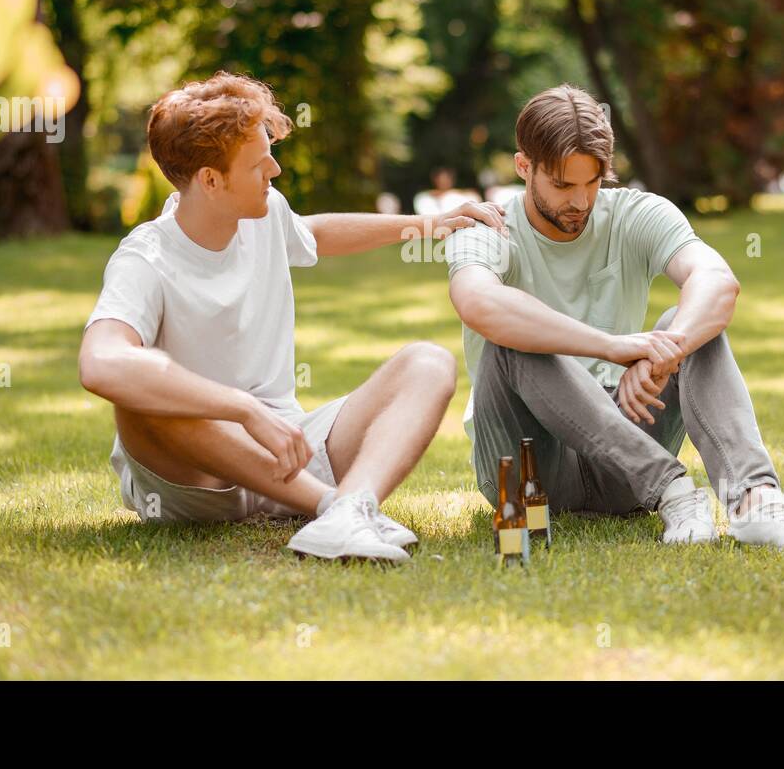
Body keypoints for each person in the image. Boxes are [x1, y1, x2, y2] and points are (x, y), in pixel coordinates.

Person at [79, 71, 505, 563]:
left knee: (428, 362)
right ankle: (332, 507)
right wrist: (242, 409)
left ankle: (352, 509)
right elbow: (101, 363)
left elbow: (313, 235)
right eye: (260, 163)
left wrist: (428, 224)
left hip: (291, 458)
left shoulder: (264, 214)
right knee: (140, 391)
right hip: (196, 483)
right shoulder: (146, 259)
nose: (275, 171)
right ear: (211, 181)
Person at [444, 83, 784, 548]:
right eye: (563, 185)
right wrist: (614, 347)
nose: (581, 202)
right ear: (524, 166)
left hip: (626, 443)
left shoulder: (636, 212)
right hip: (530, 475)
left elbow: (717, 281)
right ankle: (675, 492)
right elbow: (479, 303)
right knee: (510, 339)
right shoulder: (487, 226)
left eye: (592, 182)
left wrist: (666, 352)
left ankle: (756, 503)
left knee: (685, 320)